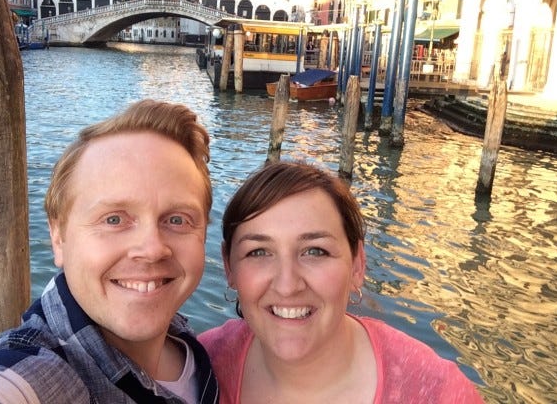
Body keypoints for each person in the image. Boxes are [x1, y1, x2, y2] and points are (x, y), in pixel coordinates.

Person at [0, 99, 219, 403]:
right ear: (58, 237)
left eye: (177, 219)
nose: (151, 249)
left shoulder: (190, 349)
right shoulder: (35, 372)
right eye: (114, 219)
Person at [199, 161, 484, 403]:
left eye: (315, 251)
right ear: (229, 267)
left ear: (358, 264)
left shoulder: (435, 393)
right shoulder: (200, 368)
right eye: (258, 252)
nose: (287, 285)